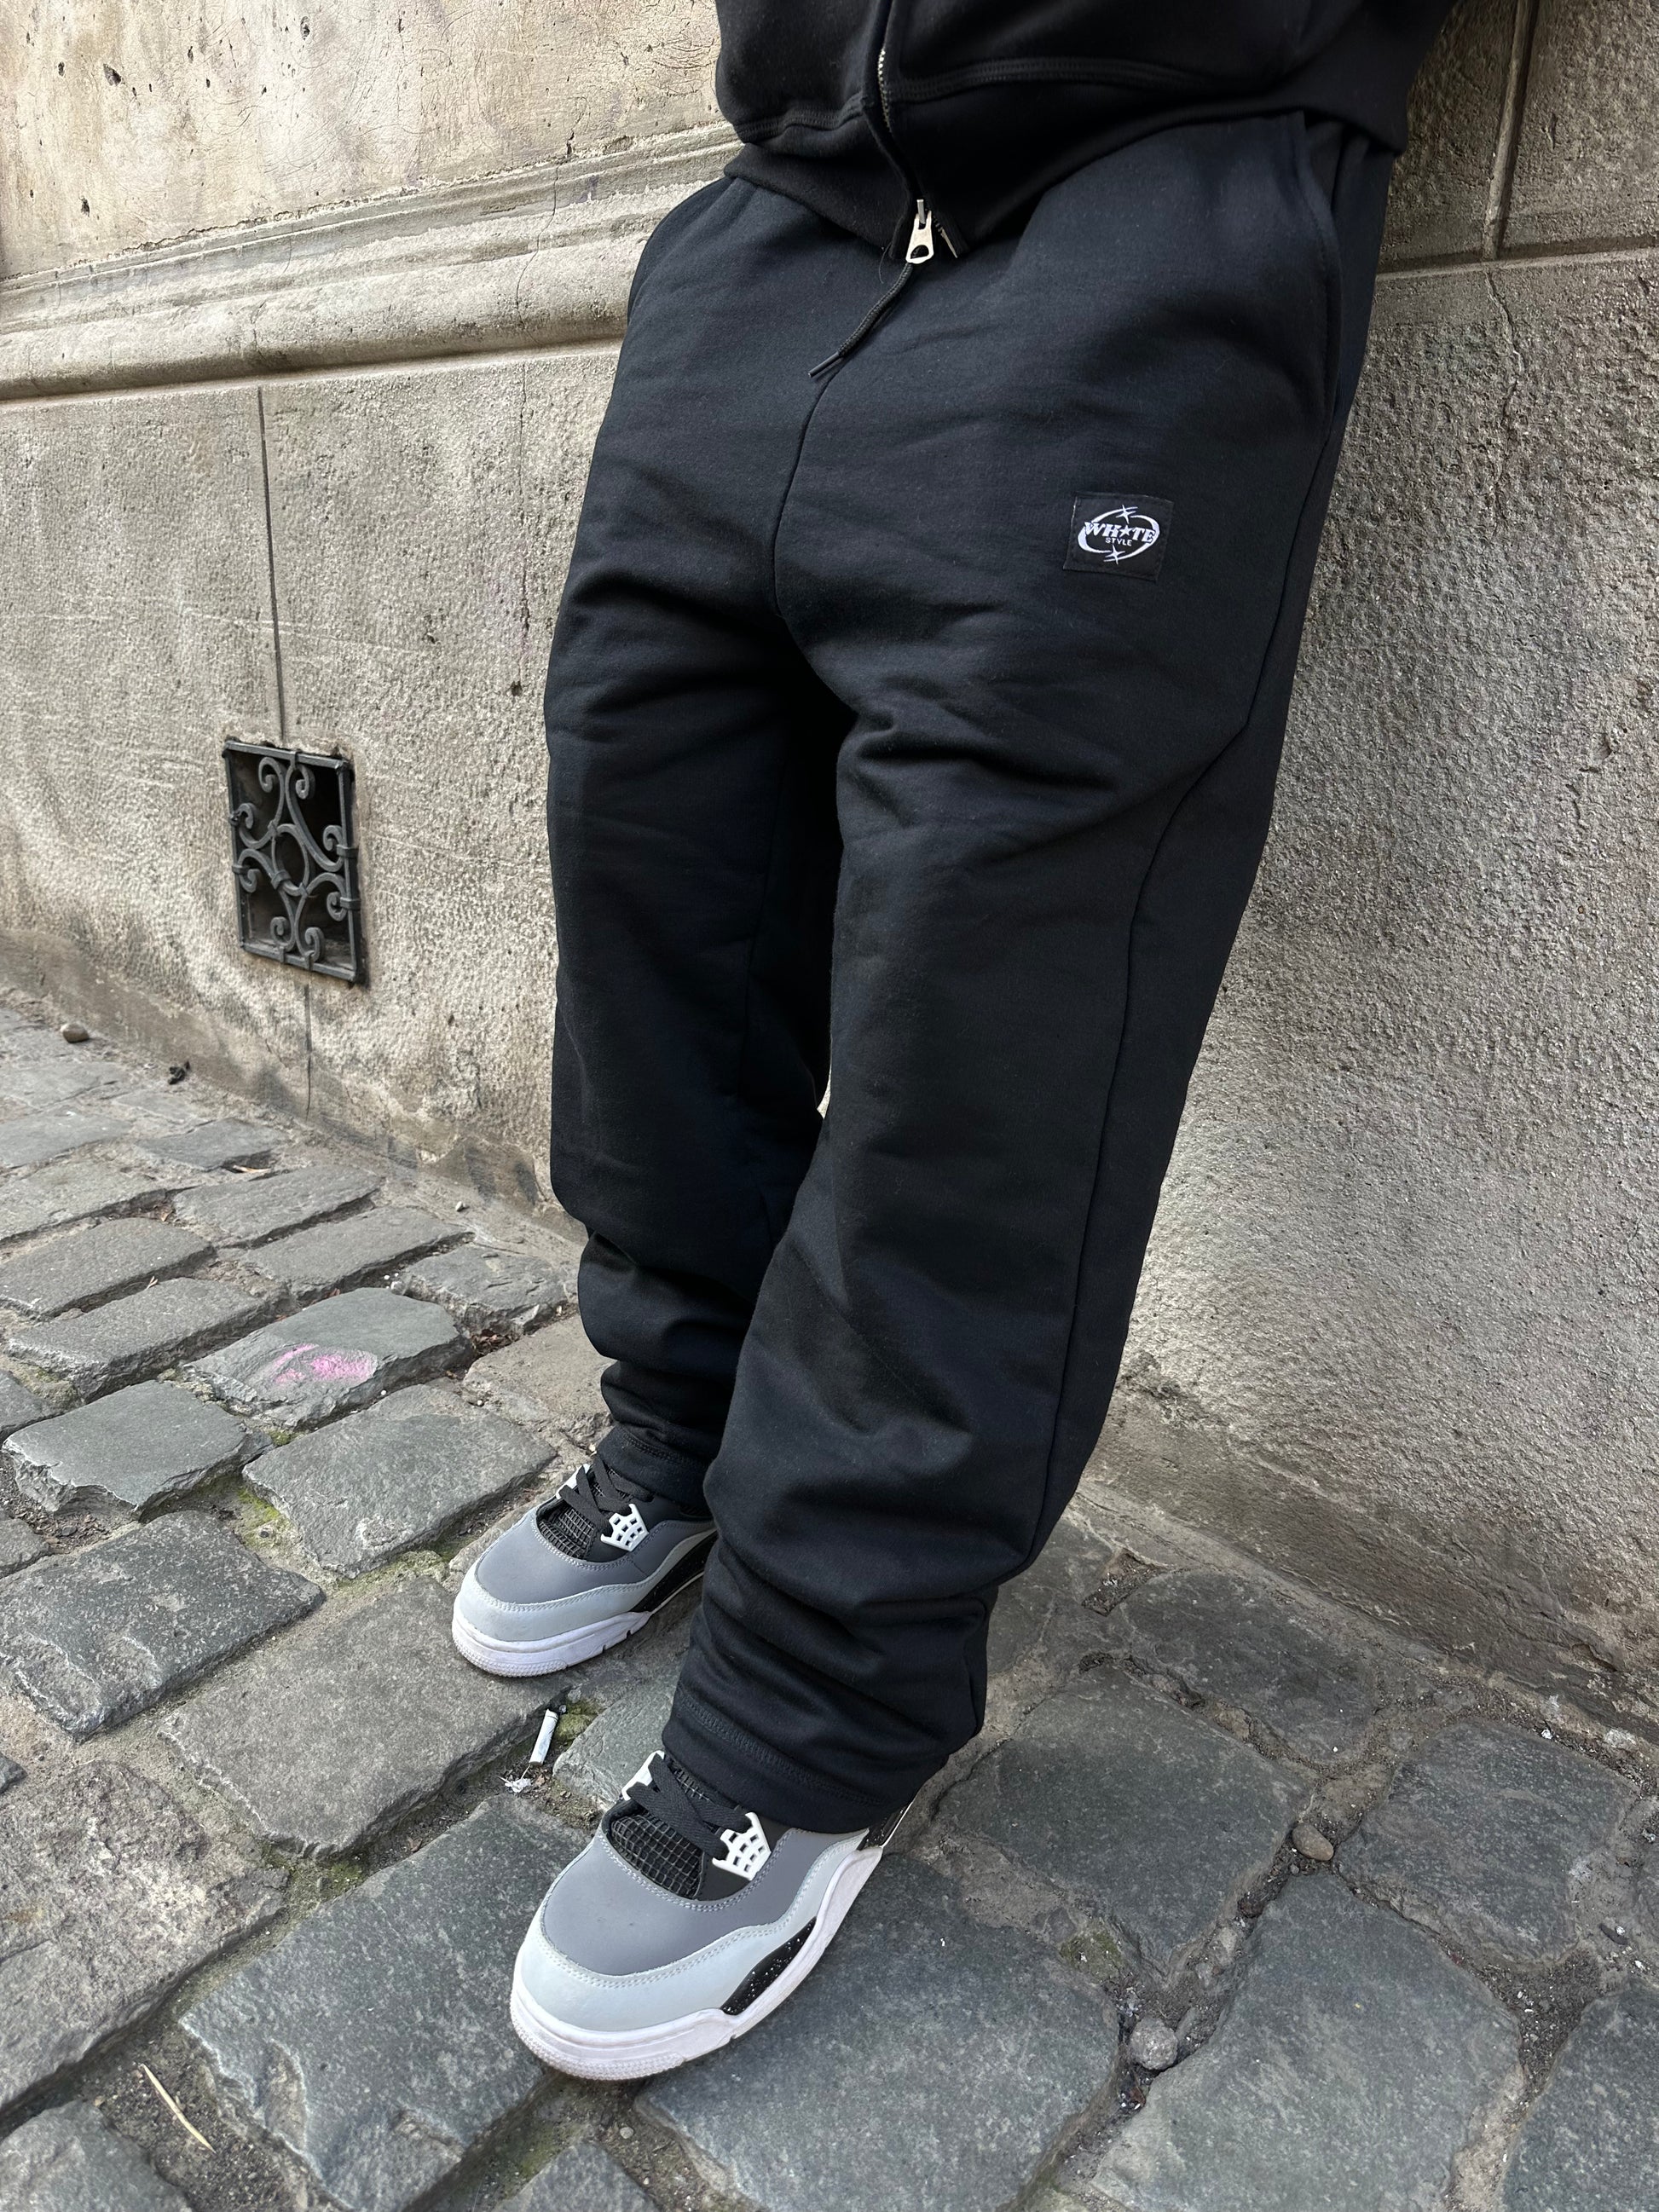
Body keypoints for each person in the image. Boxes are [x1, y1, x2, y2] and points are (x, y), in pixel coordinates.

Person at [452, 0, 1457, 2080]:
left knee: (984, 1026)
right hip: (781, 207)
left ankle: (818, 1705)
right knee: (650, 888)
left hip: (1160, 183)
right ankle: (681, 1422)